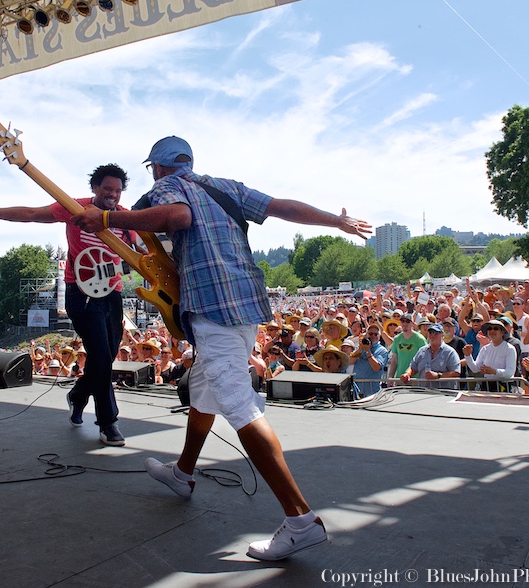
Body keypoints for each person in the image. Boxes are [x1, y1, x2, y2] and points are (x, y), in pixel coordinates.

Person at [70, 135, 371, 561]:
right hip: (246, 302)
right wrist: (334, 222)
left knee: (235, 400)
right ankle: (183, 473)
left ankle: (301, 521)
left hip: (212, 305)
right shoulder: (225, 185)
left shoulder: (165, 188)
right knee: (207, 389)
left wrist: (108, 219)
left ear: (157, 168)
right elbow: (281, 206)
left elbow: (177, 216)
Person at [0, 163, 136, 446]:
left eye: (117, 191)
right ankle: (108, 423)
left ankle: (77, 396)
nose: (113, 195)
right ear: (94, 188)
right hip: (80, 292)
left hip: (112, 294)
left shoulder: (127, 219)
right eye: (107, 189)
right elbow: (30, 214)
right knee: (100, 354)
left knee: (107, 357)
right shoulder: (73, 207)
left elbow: (146, 248)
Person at [405, 323, 461, 389]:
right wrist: (407, 374)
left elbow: (456, 372)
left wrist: (438, 376)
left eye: (436, 333)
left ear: (442, 335)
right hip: (422, 392)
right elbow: (413, 367)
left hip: (444, 394)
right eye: (430, 332)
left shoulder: (450, 352)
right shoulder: (422, 351)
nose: (433, 335)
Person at [387, 314, 427, 381]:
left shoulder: (420, 339)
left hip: (415, 379)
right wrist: (390, 378)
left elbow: (424, 359)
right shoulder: (397, 339)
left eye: (407, 321)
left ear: (412, 323)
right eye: (403, 321)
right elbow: (394, 360)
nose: (405, 323)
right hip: (400, 378)